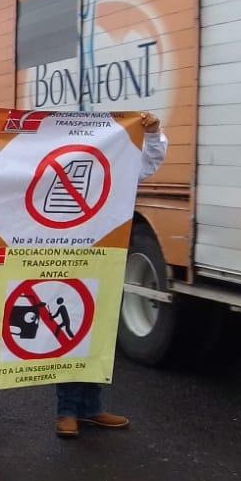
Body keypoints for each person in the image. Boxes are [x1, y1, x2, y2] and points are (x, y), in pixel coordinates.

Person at [56, 111, 168, 439]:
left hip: (106, 255)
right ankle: (66, 410)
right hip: (65, 254)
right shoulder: (58, 171)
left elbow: (149, 162)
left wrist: (153, 132)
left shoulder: (116, 168)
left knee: (99, 329)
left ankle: (91, 408)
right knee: (71, 326)